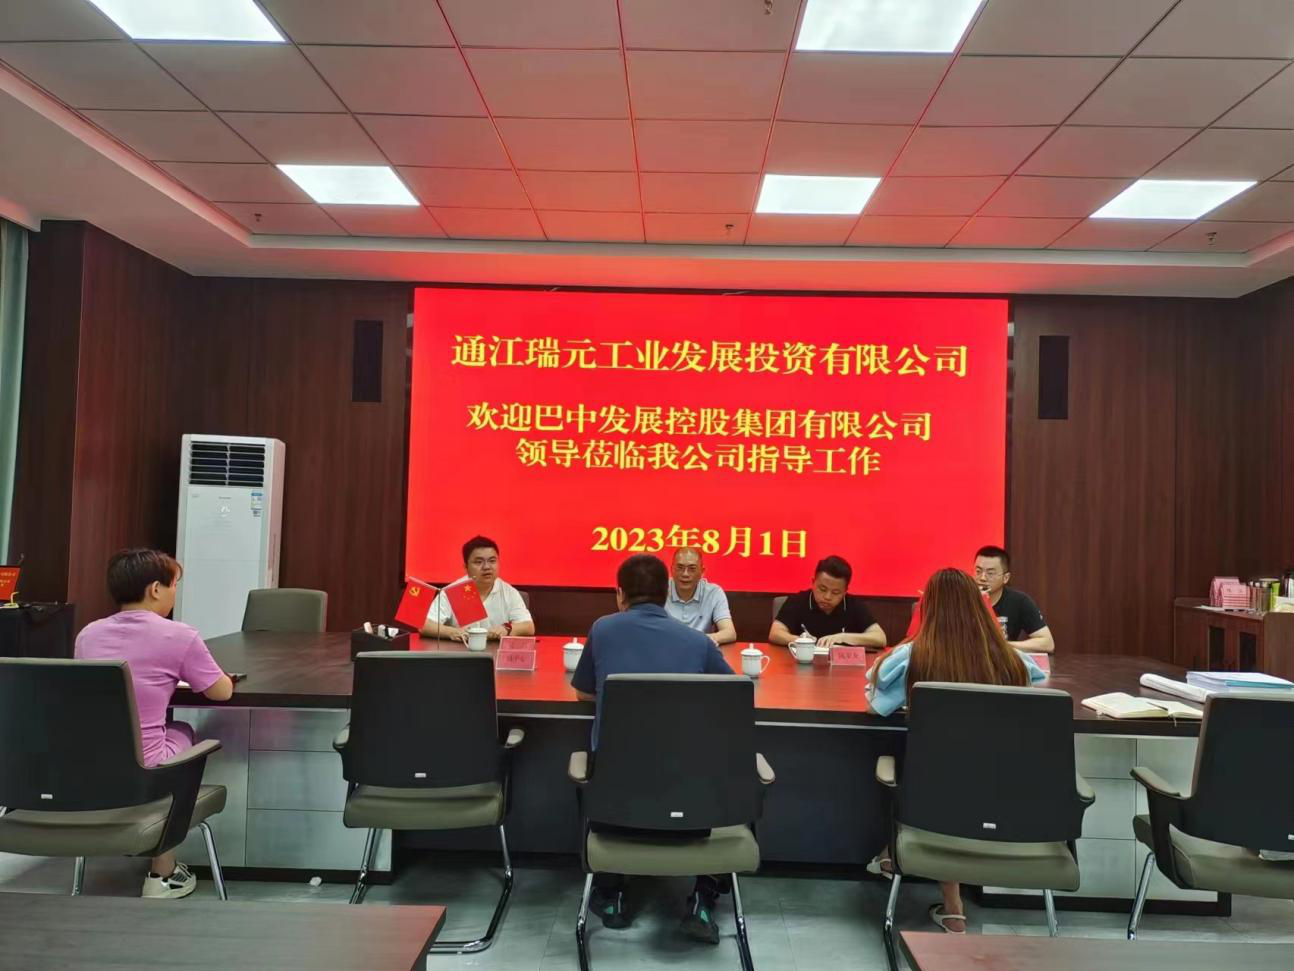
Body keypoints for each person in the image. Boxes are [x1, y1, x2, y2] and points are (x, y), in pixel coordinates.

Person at [865, 567, 1047, 934]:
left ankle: (946, 900)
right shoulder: (1012, 660)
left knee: (937, 772)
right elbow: (1037, 686)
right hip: (1005, 791)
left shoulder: (915, 656)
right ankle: (906, 867)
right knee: (961, 776)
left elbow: (876, 703)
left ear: (928, 609)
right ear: (980, 608)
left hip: (936, 795)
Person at [570, 553, 734, 945]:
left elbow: (582, 692)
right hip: (690, 802)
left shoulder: (603, 629)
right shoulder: (697, 641)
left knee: (602, 764)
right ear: (666, 594)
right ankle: (702, 901)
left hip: (617, 799)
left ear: (620, 595)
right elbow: (731, 694)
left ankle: (611, 891)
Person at [74, 549, 235, 900]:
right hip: (146, 771)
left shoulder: (87, 635)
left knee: (164, 735)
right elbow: (221, 691)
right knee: (184, 732)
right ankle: (162, 873)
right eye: (174, 585)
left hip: (90, 767)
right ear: (156, 589)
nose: (175, 593)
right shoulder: (179, 636)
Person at [421, 535, 535, 642]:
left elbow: (529, 626)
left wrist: (507, 629)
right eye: (479, 562)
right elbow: (424, 625)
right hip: (460, 652)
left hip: (495, 653)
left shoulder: (509, 592)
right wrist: (452, 632)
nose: (487, 567)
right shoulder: (453, 591)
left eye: (492, 561)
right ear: (466, 567)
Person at [769, 555, 886, 648]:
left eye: (835, 592)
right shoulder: (797, 601)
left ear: (845, 591)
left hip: (842, 668)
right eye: (822, 589)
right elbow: (775, 633)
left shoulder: (854, 605)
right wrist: (800, 641)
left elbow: (880, 638)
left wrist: (844, 637)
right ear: (813, 583)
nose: (827, 597)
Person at [973, 545, 1054, 654]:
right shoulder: (962, 599)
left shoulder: (1019, 601)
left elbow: (1047, 643)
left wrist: (1004, 646)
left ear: (1006, 578)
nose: (982, 578)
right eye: (978, 571)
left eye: (990, 573)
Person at [665, 547, 736, 645]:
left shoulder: (713, 593)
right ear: (672, 569)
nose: (685, 574)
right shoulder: (659, 590)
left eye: (692, 569)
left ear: (702, 572)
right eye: (680, 568)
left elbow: (729, 633)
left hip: (701, 649)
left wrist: (697, 640)